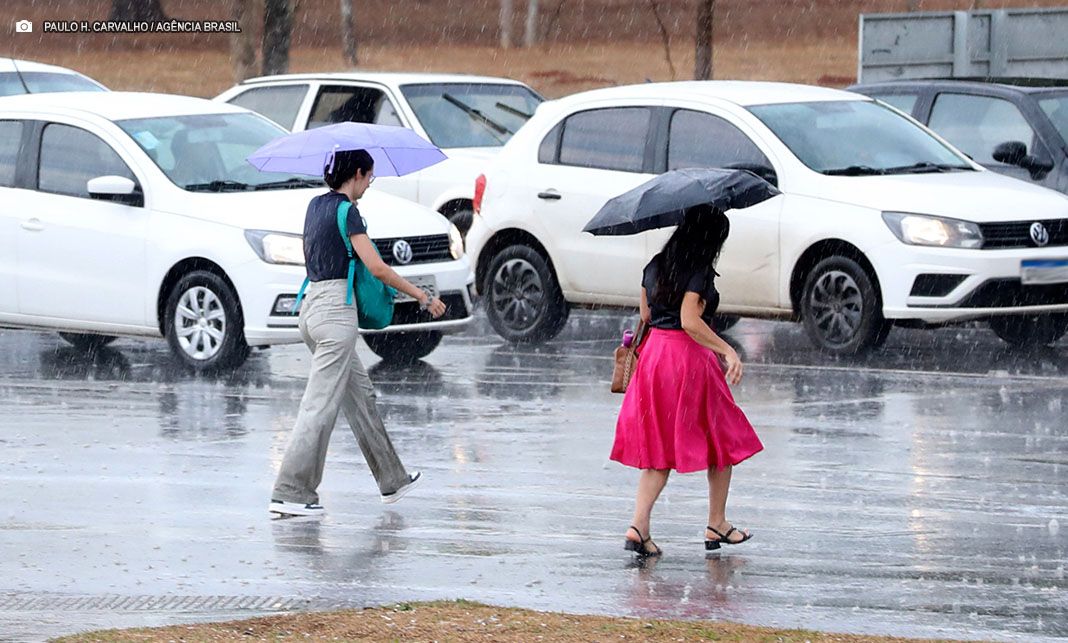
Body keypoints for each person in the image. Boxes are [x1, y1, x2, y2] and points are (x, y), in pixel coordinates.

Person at [269, 149, 447, 517]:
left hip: (312, 307)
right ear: (359, 173)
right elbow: (377, 268)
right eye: (370, 177)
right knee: (319, 406)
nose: (370, 183)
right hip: (335, 315)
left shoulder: (315, 206)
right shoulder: (348, 212)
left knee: (360, 397)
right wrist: (422, 296)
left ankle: (392, 480)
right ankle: (291, 491)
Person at [610, 204, 763, 556]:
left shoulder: (655, 265)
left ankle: (638, 527)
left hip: (653, 360)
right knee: (722, 436)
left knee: (658, 447)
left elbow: (646, 314)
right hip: (686, 358)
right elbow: (690, 321)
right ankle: (717, 523)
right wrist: (729, 350)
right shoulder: (699, 272)